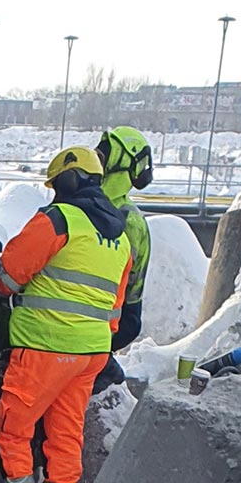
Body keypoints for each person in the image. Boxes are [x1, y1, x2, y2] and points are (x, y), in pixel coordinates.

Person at [0, 146, 132, 483]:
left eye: (57, 184)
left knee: (10, 427)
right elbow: (115, 311)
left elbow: (5, 278)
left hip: (45, 346)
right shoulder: (120, 239)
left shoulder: (58, 220)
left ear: (68, 181)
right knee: (65, 433)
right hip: (90, 353)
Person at [90, 127, 154, 392]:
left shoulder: (70, 208)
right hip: (106, 327)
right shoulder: (133, 221)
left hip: (77, 327)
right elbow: (133, 296)